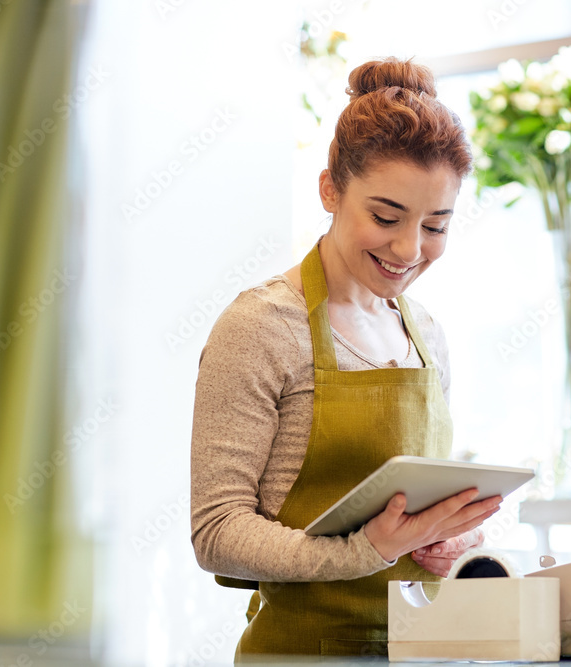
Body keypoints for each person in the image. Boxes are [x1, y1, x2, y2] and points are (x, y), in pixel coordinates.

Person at [190, 57, 501, 658]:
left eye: (436, 225)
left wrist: (450, 542)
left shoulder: (426, 334)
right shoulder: (262, 326)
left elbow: (416, 509)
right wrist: (364, 552)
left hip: (420, 649)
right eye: (386, 217)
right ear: (330, 189)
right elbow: (216, 532)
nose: (410, 249)